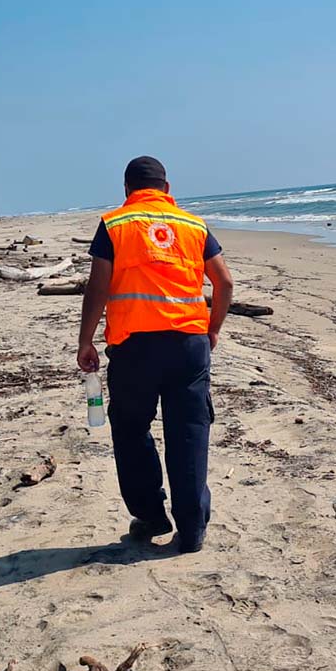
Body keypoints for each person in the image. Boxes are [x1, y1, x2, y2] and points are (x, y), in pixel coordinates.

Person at [77, 156, 234, 554]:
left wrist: (86, 340)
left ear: (128, 188)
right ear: (166, 187)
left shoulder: (115, 224)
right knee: (189, 432)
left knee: (130, 430)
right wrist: (212, 330)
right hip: (189, 346)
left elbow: (98, 287)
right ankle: (192, 528)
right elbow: (225, 283)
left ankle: (150, 515)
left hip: (135, 348)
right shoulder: (193, 225)